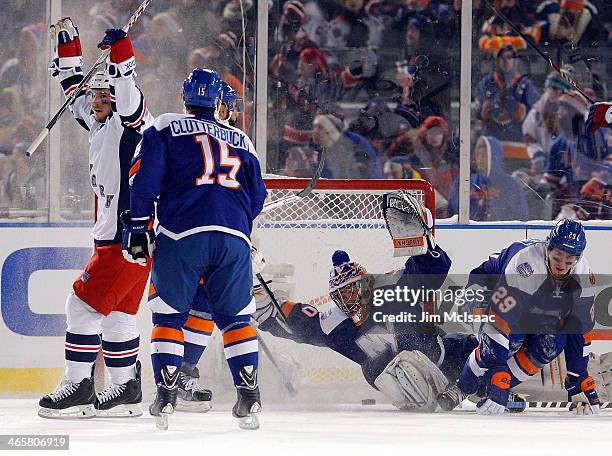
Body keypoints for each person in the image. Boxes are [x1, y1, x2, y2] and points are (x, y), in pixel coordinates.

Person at [122, 68, 267, 430]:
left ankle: (167, 396)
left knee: (169, 317)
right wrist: (235, 225)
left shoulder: (165, 126)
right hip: (234, 239)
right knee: (235, 320)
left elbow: (143, 182)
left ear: (184, 97)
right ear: (218, 101)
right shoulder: (241, 139)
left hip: (181, 234)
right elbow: (258, 196)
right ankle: (249, 398)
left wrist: (139, 225)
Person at [254, 192, 477, 412]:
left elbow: (431, 271)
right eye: (341, 294)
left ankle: (499, 388)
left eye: (353, 290)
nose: (348, 298)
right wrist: (258, 302)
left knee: (473, 347)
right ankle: (418, 394)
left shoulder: (392, 288)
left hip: (439, 356)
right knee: (379, 366)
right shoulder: (335, 325)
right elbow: (295, 322)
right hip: (398, 376)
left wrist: (422, 245)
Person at [38, 19, 153, 418]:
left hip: (127, 237)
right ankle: (125, 389)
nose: (97, 101)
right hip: (128, 242)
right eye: (97, 94)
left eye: (104, 95)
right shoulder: (101, 120)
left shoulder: (133, 125)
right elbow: (75, 96)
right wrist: (68, 55)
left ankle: (79, 384)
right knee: (118, 316)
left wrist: (122, 54)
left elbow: (129, 95)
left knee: (81, 306)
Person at [437, 219, 601, 415]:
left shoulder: (583, 274)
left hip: (527, 305)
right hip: (482, 291)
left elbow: (579, 330)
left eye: (569, 259)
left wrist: (578, 377)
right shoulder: (527, 266)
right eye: (557, 256)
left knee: (552, 343)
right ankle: (462, 384)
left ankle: (486, 386)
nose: (562, 265)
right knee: (512, 338)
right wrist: (498, 368)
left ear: (579, 257)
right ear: (548, 248)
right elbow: (500, 321)